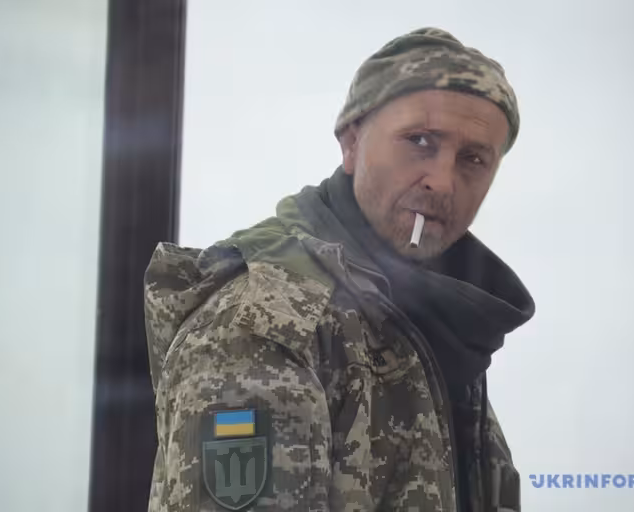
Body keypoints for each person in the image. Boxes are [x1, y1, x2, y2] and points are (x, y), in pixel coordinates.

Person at [144, 27, 535, 512]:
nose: (441, 181)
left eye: (473, 159)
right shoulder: (265, 324)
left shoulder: (443, 320)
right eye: (419, 141)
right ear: (351, 142)